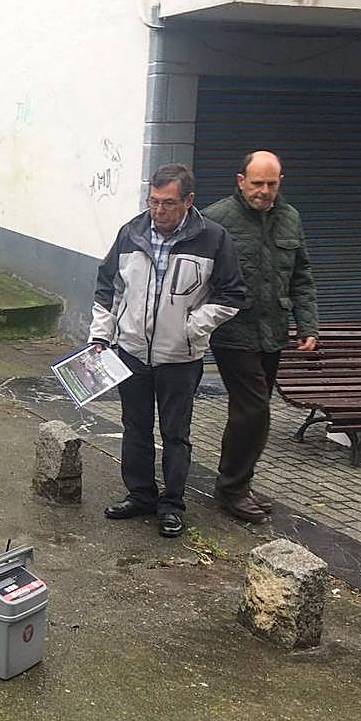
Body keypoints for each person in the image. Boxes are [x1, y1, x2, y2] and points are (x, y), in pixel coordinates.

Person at [90, 163, 245, 538]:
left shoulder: (213, 238)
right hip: (131, 352)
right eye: (154, 202)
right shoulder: (131, 232)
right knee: (135, 429)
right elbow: (108, 287)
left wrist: (193, 327)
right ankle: (141, 495)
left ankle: (172, 504)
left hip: (180, 358)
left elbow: (232, 294)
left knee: (176, 434)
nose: (158, 211)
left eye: (168, 204)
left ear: (189, 201)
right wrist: (101, 336)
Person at [203, 151, 317, 523]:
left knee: (250, 413)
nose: (264, 191)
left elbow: (301, 276)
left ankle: (238, 484)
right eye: (257, 183)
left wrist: (308, 325)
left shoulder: (290, 218)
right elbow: (193, 276)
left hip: (273, 332)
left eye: (271, 183)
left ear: (280, 180)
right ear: (241, 180)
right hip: (232, 331)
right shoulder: (216, 219)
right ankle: (232, 489)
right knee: (254, 411)